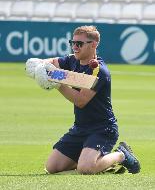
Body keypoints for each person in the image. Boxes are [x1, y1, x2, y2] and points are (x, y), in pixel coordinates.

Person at [26, 25, 140, 174]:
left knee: (85, 169)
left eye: (79, 44)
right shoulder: (72, 60)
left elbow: (81, 101)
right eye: (72, 43)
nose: (75, 47)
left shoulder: (98, 70)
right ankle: (95, 161)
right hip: (80, 128)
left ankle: (121, 155)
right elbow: (53, 62)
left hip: (102, 129)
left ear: (93, 44)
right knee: (52, 168)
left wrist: (57, 83)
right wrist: (40, 64)